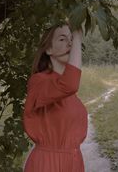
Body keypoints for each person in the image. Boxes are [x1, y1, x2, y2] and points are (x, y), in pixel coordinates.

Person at [22, 22, 88, 172]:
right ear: (49, 49)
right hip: (47, 163)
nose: (70, 43)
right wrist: (78, 37)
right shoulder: (39, 81)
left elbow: (69, 84)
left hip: (73, 163)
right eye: (62, 39)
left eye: (71, 39)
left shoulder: (70, 94)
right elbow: (70, 84)